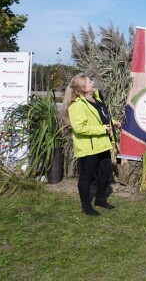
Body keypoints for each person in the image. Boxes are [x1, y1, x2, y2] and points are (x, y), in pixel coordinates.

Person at [61, 74, 122, 216]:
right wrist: (102, 129)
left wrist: (113, 122)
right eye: (90, 82)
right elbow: (79, 128)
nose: (93, 83)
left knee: (106, 171)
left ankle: (100, 199)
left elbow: (100, 117)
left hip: (102, 143)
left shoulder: (96, 99)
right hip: (89, 147)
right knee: (86, 176)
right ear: (83, 88)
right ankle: (85, 206)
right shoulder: (77, 105)